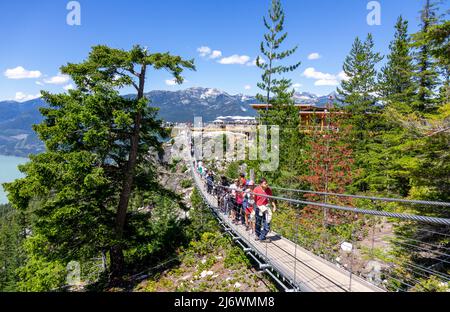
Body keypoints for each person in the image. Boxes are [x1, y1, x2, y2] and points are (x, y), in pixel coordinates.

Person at [253, 178, 276, 242]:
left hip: (265, 208)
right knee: (258, 222)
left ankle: (262, 237)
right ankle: (258, 235)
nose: (267, 184)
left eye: (266, 183)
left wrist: (274, 206)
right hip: (258, 207)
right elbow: (253, 198)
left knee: (267, 222)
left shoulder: (268, 190)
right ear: (261, 184)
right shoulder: (256, 189)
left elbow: (271, 199)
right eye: (265, 183)